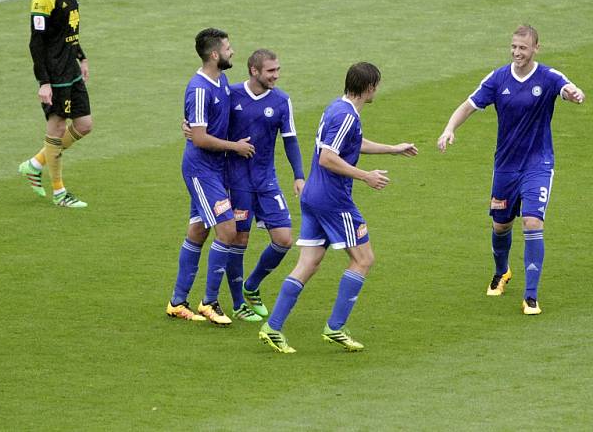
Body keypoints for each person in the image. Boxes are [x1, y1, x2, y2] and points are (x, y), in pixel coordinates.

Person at [259, 62, 418, 353]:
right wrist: (366, 176)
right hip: (332, 199)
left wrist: (392, 148)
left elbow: (352, 144)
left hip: (313, 196)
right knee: (364, 259)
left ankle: (273, 327)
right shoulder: (346, 115)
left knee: (308, 263)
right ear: (369, 87)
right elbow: (328, 158)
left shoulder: (338, 108)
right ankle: (335, 326)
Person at [437, 25, 585, 315]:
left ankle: (531, 296)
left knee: (532, 221)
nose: (517, 53)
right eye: (514, 47)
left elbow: (566, 89)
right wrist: (449, 129)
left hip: (538, 164)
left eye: (523, 48)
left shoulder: (549, 77)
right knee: (501, 225)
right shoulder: (498, 78)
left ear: (536, 49)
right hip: (505, 167)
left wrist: (573, 93)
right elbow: (468, 105)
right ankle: (502, 271)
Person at [166, 28, 255, 325]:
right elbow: (201, 139)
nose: (233, 52)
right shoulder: (200, 89)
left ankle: (177, 302)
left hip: (215, 169)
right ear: (215, 54)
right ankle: (209, 302)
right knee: (227, 232)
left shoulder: (222, 79)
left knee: (198, 232)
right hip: (201, 169)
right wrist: (236, 147)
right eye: (228, 48)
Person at [221, 50, 305, 322]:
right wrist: (189, 127)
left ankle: (251, 285)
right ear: (254, 71)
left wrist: (299, 175)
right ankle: (237, 304)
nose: (276, 75)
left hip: (266, 180)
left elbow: (290, 140)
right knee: (239, 239)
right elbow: (207, 124)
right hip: (237, 180)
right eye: (271, 71)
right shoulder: (231, 94)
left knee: (284, 239)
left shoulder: (282, 101)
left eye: (278, 69)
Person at [19, 0, 91, 208]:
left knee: (84, 125)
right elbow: (35, 44)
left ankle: (34, 164)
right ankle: (60, 193)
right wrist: (44, 82)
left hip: (70, 68)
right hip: (55, 74)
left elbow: (68, 31)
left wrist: (81, 56)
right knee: (57, 127)